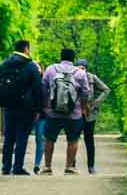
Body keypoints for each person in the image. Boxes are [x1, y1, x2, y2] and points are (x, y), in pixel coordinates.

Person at [38, 46, 91, 175]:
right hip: (74, 113)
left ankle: (47, 167)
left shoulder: (51, 69)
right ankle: (69, 167)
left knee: (49, 139)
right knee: (73, 140)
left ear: (60, 57)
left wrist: (46, 106)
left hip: (53, 112)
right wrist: (83, 108)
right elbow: (85, 92)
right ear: (73, 59)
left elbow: (43, 88)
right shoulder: (80, 73)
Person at [0, 38, 43, 176]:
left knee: (9, 136)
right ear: (26, 49)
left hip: (9, 105)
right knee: (22, 135)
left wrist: (1, 100)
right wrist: (38, 109)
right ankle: (18, 167)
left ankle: (5, 166)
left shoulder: (4, 64)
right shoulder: (30, 66)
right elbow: (37, 89)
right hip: (25, 108)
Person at [76, 57, 111, 174]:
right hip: (75, 113)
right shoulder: (72, 76)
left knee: (89, 139)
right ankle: (71, 165)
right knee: (73, 139)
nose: (81, 70)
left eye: (83, 68)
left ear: (86, 69)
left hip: (89, 113)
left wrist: (96, 103)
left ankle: (91, 166)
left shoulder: (92, 77)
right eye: (79, 68)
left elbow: (106, 89)